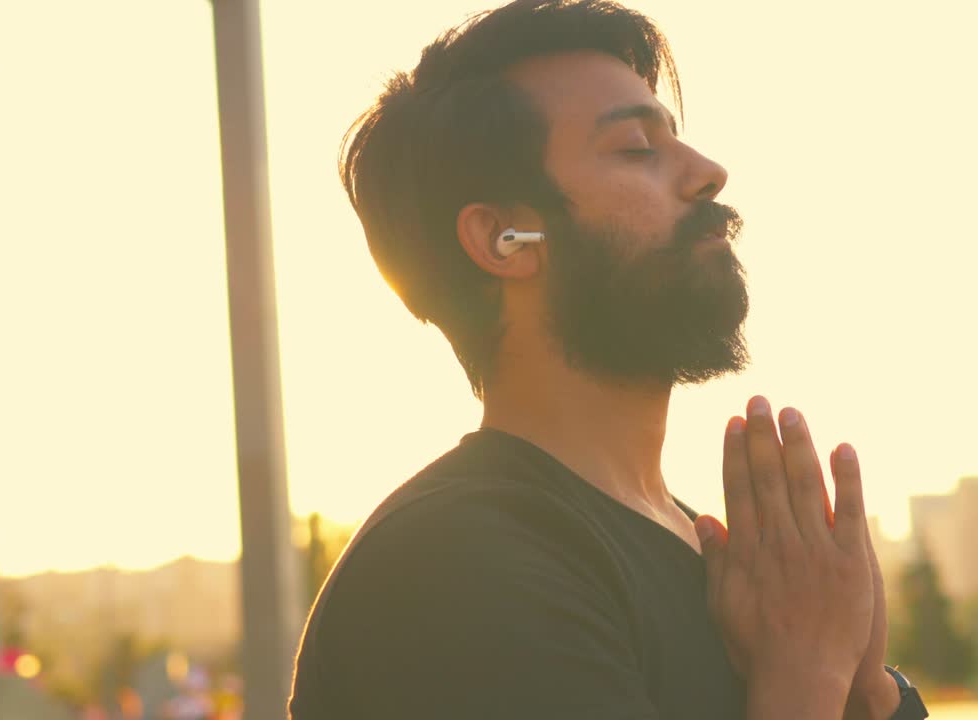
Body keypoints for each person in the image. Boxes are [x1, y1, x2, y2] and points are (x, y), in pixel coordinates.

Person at [289, 2, 924, 718]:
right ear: (504, 238)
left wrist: (864, 686)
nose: (708, 172)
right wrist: (807, 676)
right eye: (635, 149)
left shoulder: (725, 567)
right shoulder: (454, 566)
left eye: (677, 139)